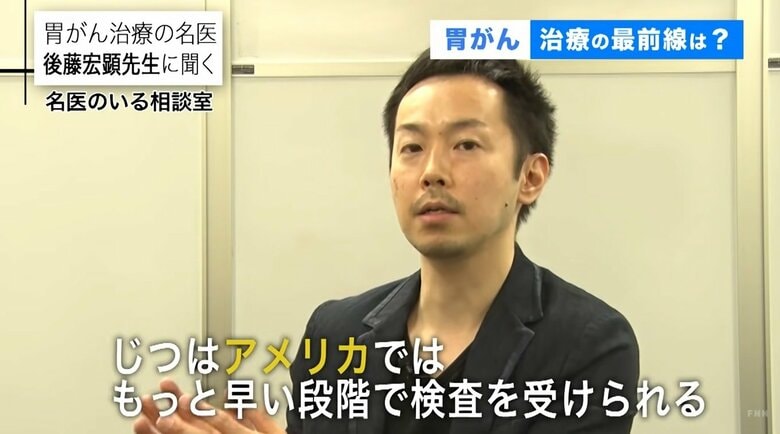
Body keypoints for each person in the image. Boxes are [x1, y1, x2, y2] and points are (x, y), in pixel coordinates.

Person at [133, 48, 640, 434]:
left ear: (529, 176)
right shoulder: (336, 334)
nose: (432, 171)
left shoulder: (588, 344)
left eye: (465, 144)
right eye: (412, 147)